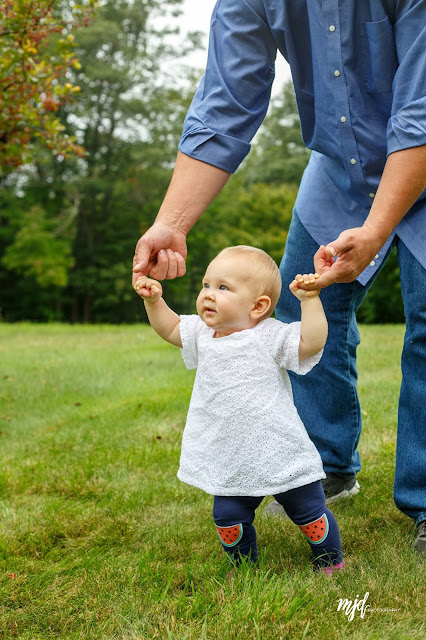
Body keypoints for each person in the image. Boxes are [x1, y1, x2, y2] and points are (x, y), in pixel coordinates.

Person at [132, 1, 426, 555]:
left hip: (424, 153)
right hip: (343, 165)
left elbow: (422, 109)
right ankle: (323, 466)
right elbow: (225, 104)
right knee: (300, 306)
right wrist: (170, 224)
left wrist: (379, 225)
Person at [134, 245, 345, 572]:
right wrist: (153, 301)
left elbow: (311, 343)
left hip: (279, 451)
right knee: (228, 518)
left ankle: (330, 562)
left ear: (258, 306)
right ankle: (245, 567)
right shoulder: (203, 335)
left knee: (309, 512)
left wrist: (310, 301)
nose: (208, 295)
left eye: (223, 288)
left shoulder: (269, 336)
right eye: (206, 285)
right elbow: (172, 328)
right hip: (231, 455)